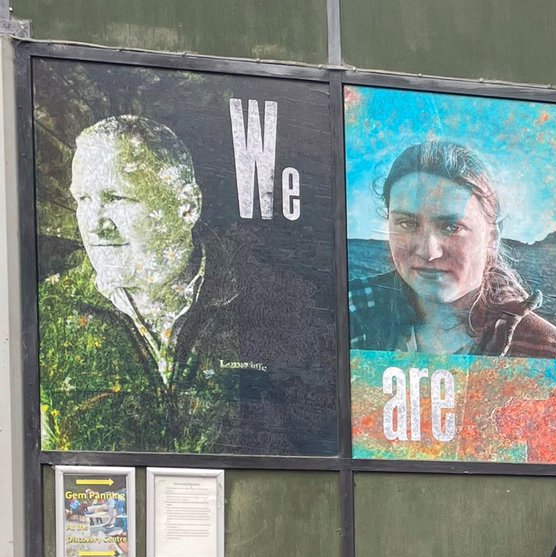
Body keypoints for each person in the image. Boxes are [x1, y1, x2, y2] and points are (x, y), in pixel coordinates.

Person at [39, 115, 336, 454]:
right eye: (83, 200)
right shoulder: (49, 312)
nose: (94, 224)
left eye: (115, 198)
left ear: (186, 206)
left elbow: (316, 447)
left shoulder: (278, 302)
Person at [349, 140, 556, 359]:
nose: (428, 252)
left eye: (451, 227)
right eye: (407, 224)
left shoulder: (551, 354)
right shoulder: (350, 310)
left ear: (491, 236)